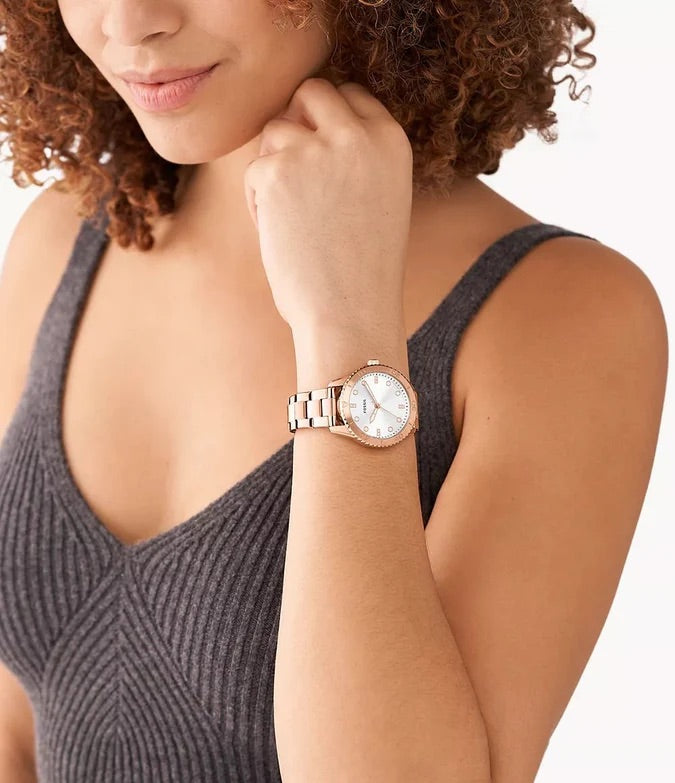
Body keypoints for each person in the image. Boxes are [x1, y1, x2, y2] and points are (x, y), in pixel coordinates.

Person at [0, 1, 667, 781]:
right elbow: (16, 734)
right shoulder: (68, 236)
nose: (127, 22)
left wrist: (345, 329)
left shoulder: (559, 315)